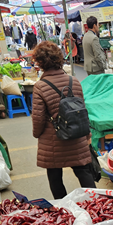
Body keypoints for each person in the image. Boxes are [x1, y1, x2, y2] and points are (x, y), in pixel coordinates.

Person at [31, 41, 96, 199]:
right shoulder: (74, 81)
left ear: (40, 62)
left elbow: (38, 119)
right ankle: (95, 203)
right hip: (77, 138)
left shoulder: (40, 86)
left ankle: (63, 207)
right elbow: (83, 112)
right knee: (83, 172)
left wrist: (36, 134)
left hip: (54, 142)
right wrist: (87, 136)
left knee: (55, 177)